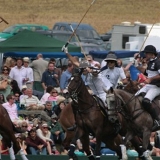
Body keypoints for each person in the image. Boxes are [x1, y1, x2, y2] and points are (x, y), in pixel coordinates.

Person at [135, 45, 160, 131]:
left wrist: (151, 79)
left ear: (152, 53)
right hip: (149, 85)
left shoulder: (158, 62)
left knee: (146, 100)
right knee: (134, 98)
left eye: (146, 53)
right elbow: (146, 73)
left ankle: (157, 120)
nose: (145, 54)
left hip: (156, 86)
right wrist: (137, 64)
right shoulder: (150, 62)